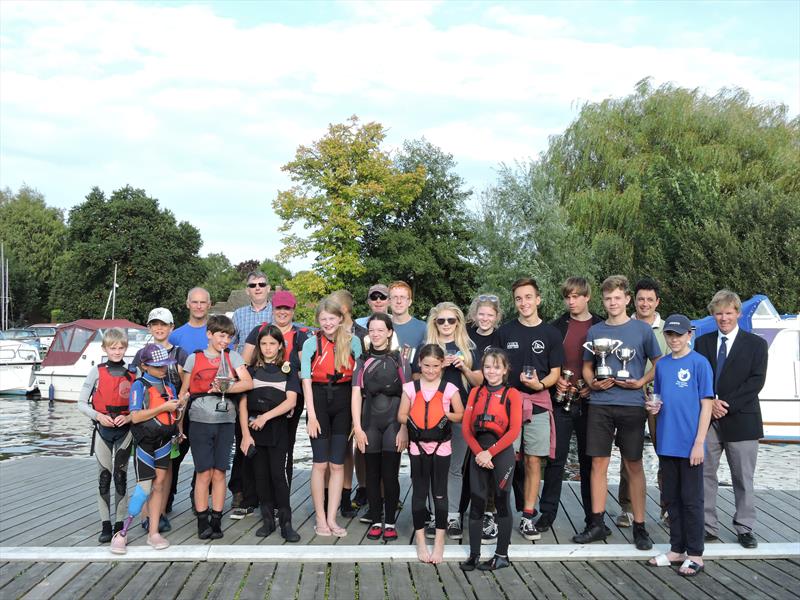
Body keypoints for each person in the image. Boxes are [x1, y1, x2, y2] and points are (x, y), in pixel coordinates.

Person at [574, 275, 661, 550]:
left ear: (627, 299)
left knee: (633, 464)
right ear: (604, 300)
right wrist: (591, 383)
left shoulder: (642, 331)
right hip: (600, 404)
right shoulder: (595, 331)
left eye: (617, 298)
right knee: (598, 464)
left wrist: (641, 381)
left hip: (632, 404)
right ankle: (597, 523)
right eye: (608, 298)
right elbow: (587, 366)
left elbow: (660, 363)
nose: (613, 302)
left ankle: (640, 526)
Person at [694, 290, 768, 549]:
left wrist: (727, 405)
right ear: (713, 315)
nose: (723, 318)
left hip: (742, 419)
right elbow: (699, 377)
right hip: (709, 419)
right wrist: (711, 402)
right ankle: (707, 526)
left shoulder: (756, 344)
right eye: (718, 313)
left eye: (728, 312)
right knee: (705, 474)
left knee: (743, 478)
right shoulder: (702, 343)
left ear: (738, 313)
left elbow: (756, 381)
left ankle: (745, 527)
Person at [646, 314, 713, 577]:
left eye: (679, 335)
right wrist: (653, 406)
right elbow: (658, 399)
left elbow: (706, 404)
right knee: (671, 498)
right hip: (667, 442)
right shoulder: (662, 366)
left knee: (692, 500)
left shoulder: (700, 363)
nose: (674, 339)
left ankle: (695, 554)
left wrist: (699, 442)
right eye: (670, 335)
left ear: (689, 335)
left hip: (690, 445)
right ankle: (677, 549)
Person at [495, 277, 562, 542]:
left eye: (528, 297)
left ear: (538, 299)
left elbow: (556, 372)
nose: (524, 302)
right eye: (519, 298)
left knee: (535, 461)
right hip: (508, 403)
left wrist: (539, 384)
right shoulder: (506, 332)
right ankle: (498, 514)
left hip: (538, 404)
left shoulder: (551, 333)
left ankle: (527, 516)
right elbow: (496, 368)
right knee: (505, 461)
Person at [179, 314, 253, 540]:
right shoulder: (194, 358)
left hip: (225, 422)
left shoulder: (234, 357)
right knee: (204, 473)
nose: (225, 340)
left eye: (229, 336)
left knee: (220, 472)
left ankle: (217, 519)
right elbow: (184, 393)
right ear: (209, 334)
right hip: (200, 422)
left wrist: (225, 388)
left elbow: (248, 382)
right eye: (221, 335)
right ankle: (202, 520)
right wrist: (179, 426)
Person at [539, 277, 603, 533]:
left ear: (587, 296)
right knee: (556, 459)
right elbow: (547, 363)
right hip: (561, 399)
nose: (571, 301)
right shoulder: (556, 327)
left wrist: (594, 383)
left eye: (576, 296)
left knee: (590, 461)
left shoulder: (601, 325)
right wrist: (556, 384)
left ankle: (593, 518)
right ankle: (547, 514)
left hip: (592, 400)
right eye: (568, 297)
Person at [415, 301, 483, 540]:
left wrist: (463, 367)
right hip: (430, 416)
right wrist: (438, 368)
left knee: (454, 468)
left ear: (458, 322)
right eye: (441, 320)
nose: (446, 324)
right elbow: (415, 378)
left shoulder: (468, 346)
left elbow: (478, 382)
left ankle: (453, 517)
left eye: (451, 320)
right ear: (435, 322)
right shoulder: (426, 347)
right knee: (434, 467)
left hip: (460, 414)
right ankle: (437, 516)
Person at [110, 344, 183, 554]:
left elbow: (172, 413)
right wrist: (164, 408)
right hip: (145, 441)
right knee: (144, 487)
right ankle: (122, 533)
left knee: (159, 485)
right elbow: (135, 416)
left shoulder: (170, 385)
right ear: (145, 366)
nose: (162, 369)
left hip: (164, 440)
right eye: (157, 366)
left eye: (164, 366)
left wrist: (178, 415)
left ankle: (153, 532)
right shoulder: (139, 386)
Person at [301, 297, 362, 537]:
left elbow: (358, 383)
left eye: (332, 318)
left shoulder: (353, 341)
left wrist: (356, 422)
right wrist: (312, 416)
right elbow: (306, 380)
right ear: (318, 320)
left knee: (337, 465)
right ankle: (319, 518)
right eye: (323, 319)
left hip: (344, 402)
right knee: (320, 463)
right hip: (318, 401)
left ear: (340, 319)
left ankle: (332, 517)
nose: (327, 323)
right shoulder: (310, 343)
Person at [398, 344, 464, 564]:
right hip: (417, 445)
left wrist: (446, 415)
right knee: (419, 492)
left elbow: (461, 414)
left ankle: (439, 540)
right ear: (419, 364)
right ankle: (419, 539)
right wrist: (410, 423)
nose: (431, 370)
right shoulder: (410, 388)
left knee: (440, 494)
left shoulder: (449, 388)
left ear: (442, 365)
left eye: (436, 366)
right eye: (426, 365)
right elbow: (401, 414)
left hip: (441, 445)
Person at [460, 349, 522, 572]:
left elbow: (514, 430)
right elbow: (467, 430)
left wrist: (490, 453)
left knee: (502, 503)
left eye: (497, 367)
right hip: (479, 452)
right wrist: (479, 453)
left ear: (505, 370)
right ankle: (474, 555)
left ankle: (502, 555)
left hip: (501, 453)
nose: (491, 371)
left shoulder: (512, 394)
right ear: (482, 369)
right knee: (476, 502)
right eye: (487, 367)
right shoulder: (475, 392)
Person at [239, 325, 301, 542]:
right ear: (259, 346)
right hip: (254, 430)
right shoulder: (251, 371)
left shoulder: (289, 370)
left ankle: (286, 522)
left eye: (272, 343)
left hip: (277, 429)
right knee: (261, 476)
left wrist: (266, 417)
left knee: (277, 475)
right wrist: (246, 435)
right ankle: (267, 521)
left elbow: (291, 402)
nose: (268, 348)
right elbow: (243, 405)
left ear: (280, 346)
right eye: (264, 344)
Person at [352, 313, 410, 542]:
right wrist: (357, 427)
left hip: (394, 422)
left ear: (389, 332)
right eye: (372, 330)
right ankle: (376, 520)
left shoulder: (400, 359)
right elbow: (356, 394)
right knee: (372, 474)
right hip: (370, 422)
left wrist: (404, 427)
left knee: (390, 474)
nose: (375, 334)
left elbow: (408, 392)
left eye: (380, 330)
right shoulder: (362, 360)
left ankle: (390, 521)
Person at [243, 290, 310, 487]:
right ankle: (250, 494)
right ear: (272, 309)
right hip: (259, 396)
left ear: (293, 310)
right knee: (251, 444)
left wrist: (290, 392)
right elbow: (246, 364)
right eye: (279, 308)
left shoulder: (300, 336)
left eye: (286, 308)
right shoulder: (259, 331)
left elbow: (303, 372)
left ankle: (282, 493)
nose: (282, 312)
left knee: (286, 446)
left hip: (288, 398)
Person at [617, 277, 669, 527]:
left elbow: (672, 363)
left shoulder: (668, 329)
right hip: (630, 397)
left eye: (650, 299)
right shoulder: (624, 326)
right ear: (633, 300)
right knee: (630, 453)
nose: (645, 303)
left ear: (657, 301)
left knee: (666, 452)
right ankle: (626, 508)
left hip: (661, 399)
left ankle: (667, 508)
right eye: (641, 299)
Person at [77, 328, 135, 544]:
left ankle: (120, 525)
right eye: (113, 348)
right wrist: (98, 416)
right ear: (105, 349)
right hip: (103, 430)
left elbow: (139, 406)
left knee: (121, 478)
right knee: (104, 478)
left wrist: (128, 418)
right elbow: (81, 403)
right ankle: (105, 525)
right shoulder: (96, 372)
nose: (117, 351)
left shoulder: (132, 373)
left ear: (125, 349)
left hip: (124, 430)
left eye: (121, 348)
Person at [130, 307, 188, 519]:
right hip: (146, 422)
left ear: (171, 327)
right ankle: (146, 516)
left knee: (167, 470)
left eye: (163, 324)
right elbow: (135, 384)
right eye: (155, 324)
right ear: (149, 327)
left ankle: (160, 513)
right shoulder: (141, 354)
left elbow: (184, 386)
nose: (159, 328)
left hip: (171, 419)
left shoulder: (180, 353)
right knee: (146, 476)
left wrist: (179, 415)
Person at [231, 271, 273, 355]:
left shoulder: (278, 313)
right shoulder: (238, 314)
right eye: (253, 285)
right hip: (244, 366)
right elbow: (232, 343)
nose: (257, 288)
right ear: (247, 291)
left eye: (261, 284)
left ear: (268, 288)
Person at [388, 281, 427, 363]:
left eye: (402, 297)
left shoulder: (423, 328)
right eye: (395, 297)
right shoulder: (382, 328)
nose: (399, 301)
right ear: (389, 301)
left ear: (409, 302)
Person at [169, 287, 212, 353]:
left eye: (203, 302)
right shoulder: (174, 336)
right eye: (194, 302)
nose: (199, 306)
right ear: (188, 304)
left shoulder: (219, 334)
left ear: (209, 305)